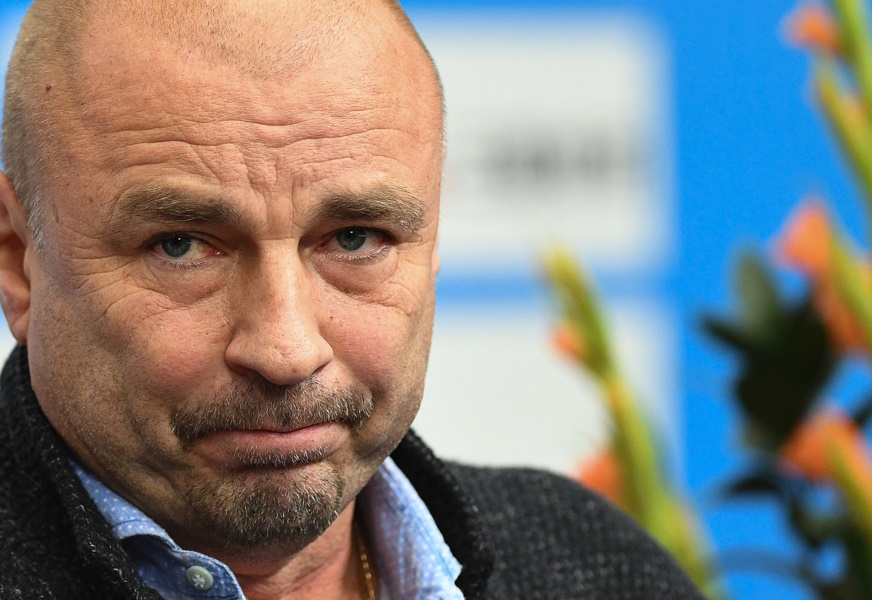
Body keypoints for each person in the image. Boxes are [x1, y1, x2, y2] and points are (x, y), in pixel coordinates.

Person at [0, 0, 704, 598]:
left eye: (355, 238)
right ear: (17, 261)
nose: (287, 350)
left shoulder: (599, 567)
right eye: (181, 246)